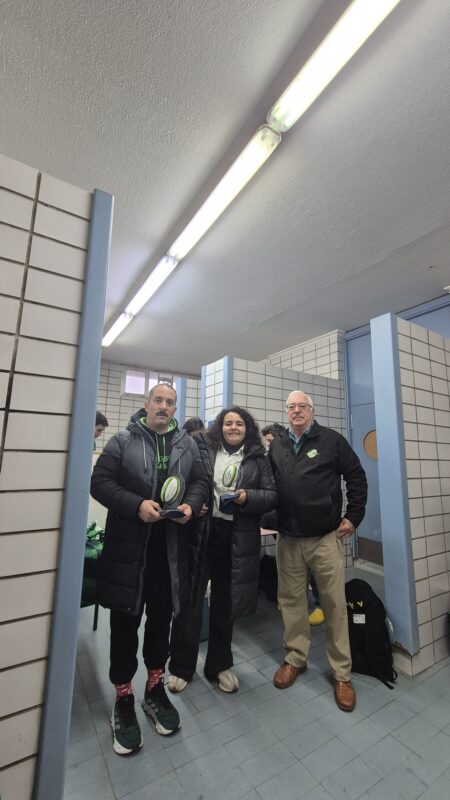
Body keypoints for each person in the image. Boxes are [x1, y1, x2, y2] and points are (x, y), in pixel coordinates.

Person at [90, 384, 208, 755]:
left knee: (161, 622)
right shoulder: (122, 441)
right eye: (158, 400)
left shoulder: (187, 446)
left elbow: (201, 482)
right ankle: (123, 697)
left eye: (170, 402)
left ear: (175, 409)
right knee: (125, 625)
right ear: (146, 405)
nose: (164, 406)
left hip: (169, 554)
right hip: (128, 553)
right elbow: (99, 483)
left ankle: (154, 688)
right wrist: (135, 504)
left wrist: (191, 505)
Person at [269, 390, 367, 712]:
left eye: (302, 406)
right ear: (286, 412)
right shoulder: (278, 444)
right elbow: (269, 484)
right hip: (288, 538)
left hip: (324, 537)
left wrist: (354, 515)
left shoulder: (331, 440)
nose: (296, 411)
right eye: (291, 407)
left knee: (334, 603)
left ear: (312, 411)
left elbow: (356, 476)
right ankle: (295, 658)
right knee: (291, 601)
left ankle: (342, 673)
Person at [168, 406, 277, 693]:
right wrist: (194, 502)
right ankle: (181, 666)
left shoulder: (258, 457)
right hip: (201, 534)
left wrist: (247, 496)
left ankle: (220, 665)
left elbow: (271, 495)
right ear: (220, 426)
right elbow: (185, 480)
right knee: (190, 602)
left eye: (239, 423)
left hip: (236, 538)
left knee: (225, 605)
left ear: (247, 428)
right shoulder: (202, 448)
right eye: (228, 423)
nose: (233, 428)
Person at [262, 422, 324, 626]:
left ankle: (321, 605)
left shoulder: (296, 458)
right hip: (282, 522)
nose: (268, 446)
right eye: (266, 442)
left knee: (311, 567)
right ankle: (291, 601)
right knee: (289, 567)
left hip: (307, 523)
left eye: (270, 442)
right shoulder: (270, 460)